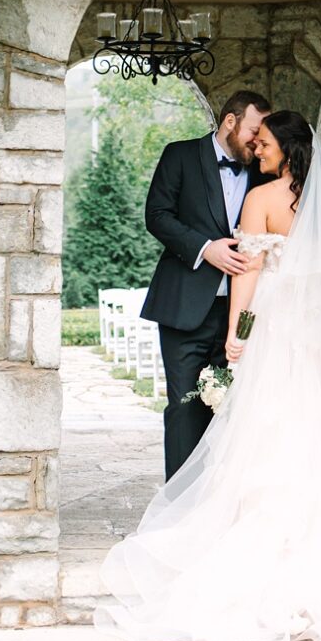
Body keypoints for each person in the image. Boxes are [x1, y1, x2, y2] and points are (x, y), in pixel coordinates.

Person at [97, 112, 321, 641]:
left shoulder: (261, 200)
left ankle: (253, 537)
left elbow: (249, 275)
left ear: (284, 146)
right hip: (316, 343)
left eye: (264, 144)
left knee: (264, 434)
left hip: (276, 330)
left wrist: (239, 334)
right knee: (319, 433)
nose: (257, 150)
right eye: (253, 141)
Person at [139, 90, 270, 479]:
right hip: (185, 309)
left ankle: (219, 505)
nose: (257, 141)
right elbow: (157, 215)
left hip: (245, 312)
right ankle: (177, 505)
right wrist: (204, 248)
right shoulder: (179, 155)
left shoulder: (263, 167)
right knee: (184, 406)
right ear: (230, 121)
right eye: (252, 130)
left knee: (236, 409)